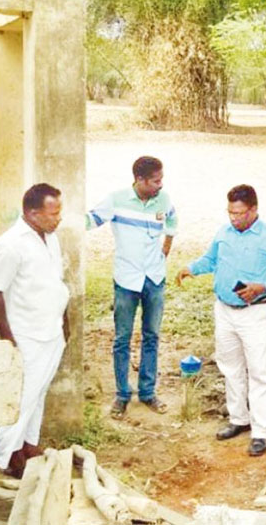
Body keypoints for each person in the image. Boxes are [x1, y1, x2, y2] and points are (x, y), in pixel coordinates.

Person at [176, 184, 266, 457]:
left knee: (259, 372)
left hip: (256, 312)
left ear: (253, 210)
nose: (234, 218)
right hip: (225, 310)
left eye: (239, 213)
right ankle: (238, 419)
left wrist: (261, 286)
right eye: (230, 212)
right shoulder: (223, 233)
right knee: (230, 367)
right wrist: (191, 268)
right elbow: (211, 259)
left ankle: (261, 431)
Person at [0, 183, 70, 478]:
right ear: (32, 213)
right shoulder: (11, 244)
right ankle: (7, 456)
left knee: (39, 393)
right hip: (26, 334)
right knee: (22, 397)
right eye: (53, 212)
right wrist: (8, 338)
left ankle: (29, 445)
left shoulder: (50, 238)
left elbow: (56, 281)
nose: (58, 218)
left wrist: (65, 320)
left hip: (51, 330)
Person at [86, 156, 178, 419]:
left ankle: (148, 393)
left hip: (154, 279)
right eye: (156, 180)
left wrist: (165, 250)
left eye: (162, 179)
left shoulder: (164, 199)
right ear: (140, 180)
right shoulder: (116, 200)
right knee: (122, 339)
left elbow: (172, 223)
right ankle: (122, 395)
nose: (161, 185)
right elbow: (91, 220)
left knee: (152, 336)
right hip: (126, 280)